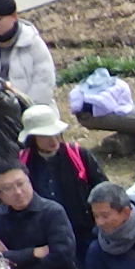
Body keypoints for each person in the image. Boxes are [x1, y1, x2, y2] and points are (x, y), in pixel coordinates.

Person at [18, 106, 98, 248]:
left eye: (56, 134)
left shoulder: (78, 155)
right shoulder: (22, 163)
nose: (54, 141)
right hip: (44, 238)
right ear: (32, 138)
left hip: (83, 233)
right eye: (45, 136)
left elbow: (101, 187)